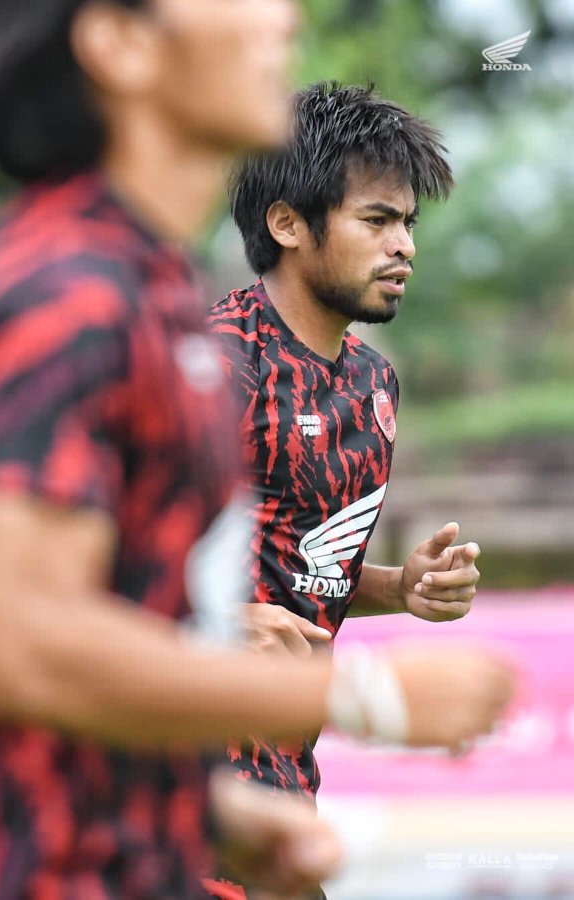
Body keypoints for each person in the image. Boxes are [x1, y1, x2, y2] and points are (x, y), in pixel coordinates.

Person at [0, 7, 515, 900]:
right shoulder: (70, 291)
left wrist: (208, 815)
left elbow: (158, 587)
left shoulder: (150, 288)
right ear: (120, 43)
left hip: (166, 829)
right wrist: (370, 699)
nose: (279, 14)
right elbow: (17, 644)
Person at [205, 82, 487, 898]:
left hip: (284, 773)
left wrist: (401, 588)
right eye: (376, 220)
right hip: (180, 773)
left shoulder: (373, 386)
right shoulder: (217, 366)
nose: (403, 245)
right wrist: (217, 622)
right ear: (288, 223)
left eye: (408, 223)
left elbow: (292, 570)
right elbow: (94, 568)